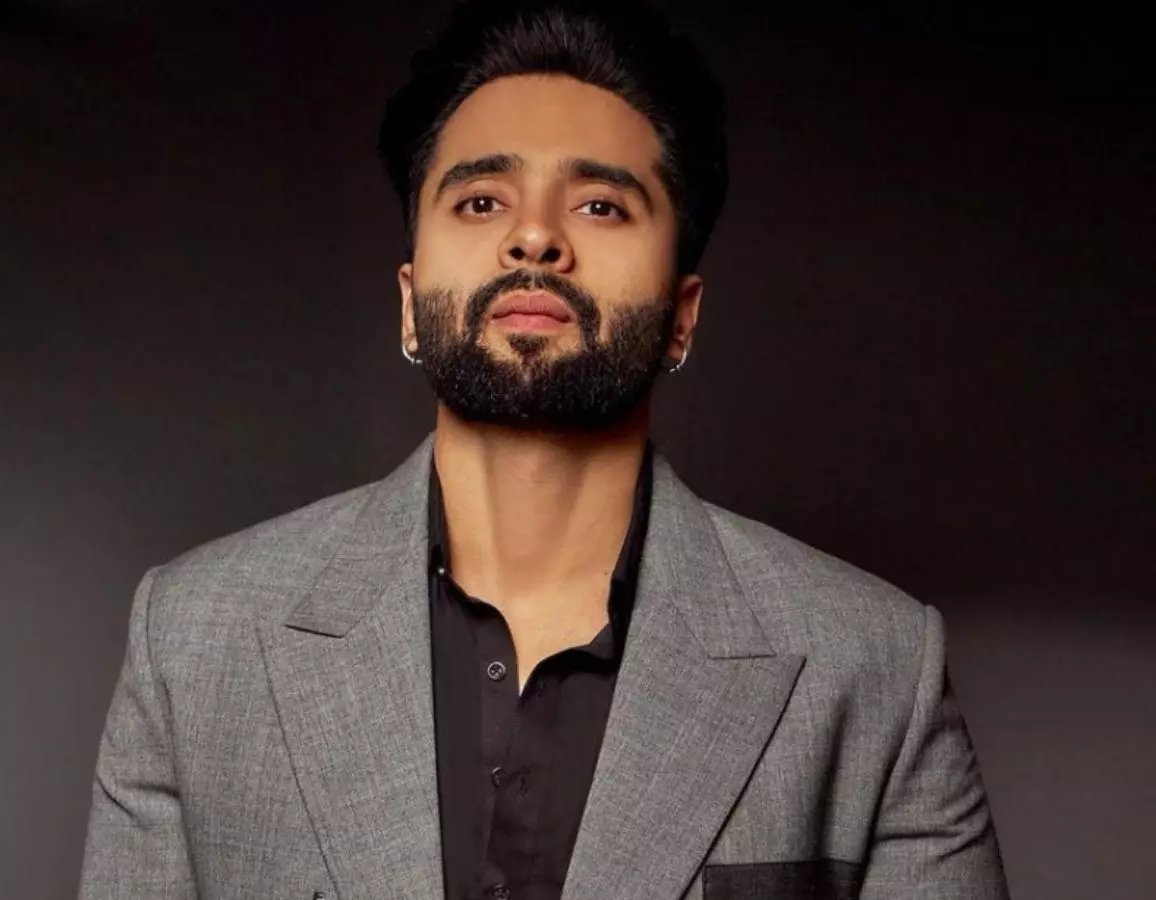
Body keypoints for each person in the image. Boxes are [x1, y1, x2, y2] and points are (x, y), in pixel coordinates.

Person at [76, 1, 1009, 898]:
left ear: (682, 316)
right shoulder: (194, 641)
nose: (534, 237)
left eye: (600, 206)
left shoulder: (874, 670)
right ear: (410, 300)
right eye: (481, 200)